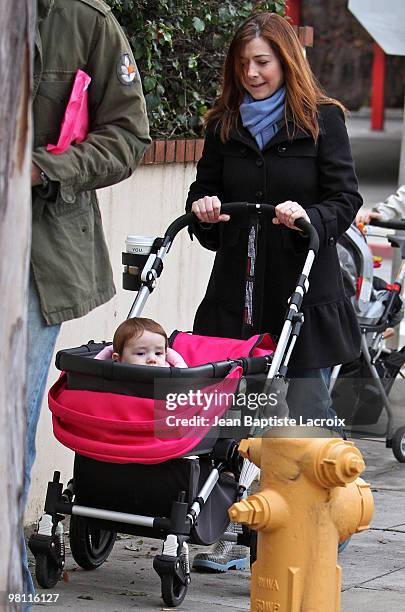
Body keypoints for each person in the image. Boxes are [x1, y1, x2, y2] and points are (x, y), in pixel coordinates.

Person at [186, 12, 362, 572]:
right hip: (238, 293)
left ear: (286, 61)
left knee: (308, 407)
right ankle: (241, 525)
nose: (253, 74)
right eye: (243, 65)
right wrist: (206, 212)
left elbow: (345, 198)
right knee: (238, 410)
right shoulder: (224, 123)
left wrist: (308, 217)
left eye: (262, 62)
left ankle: (329, 510)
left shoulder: (321, 120)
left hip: (302, 294)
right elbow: (203, 195)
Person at [24, 0, 151, 601]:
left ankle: (6, 572)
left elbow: (128, 136)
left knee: (13, 413)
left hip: (36, 257)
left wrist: (48, 168)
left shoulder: (86, 21)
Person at [110, 317, 188, 367]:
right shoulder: (109, 381)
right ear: (118, 359)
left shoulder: (170, 377)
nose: (152, 359)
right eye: (140, 353)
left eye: (158, 353)